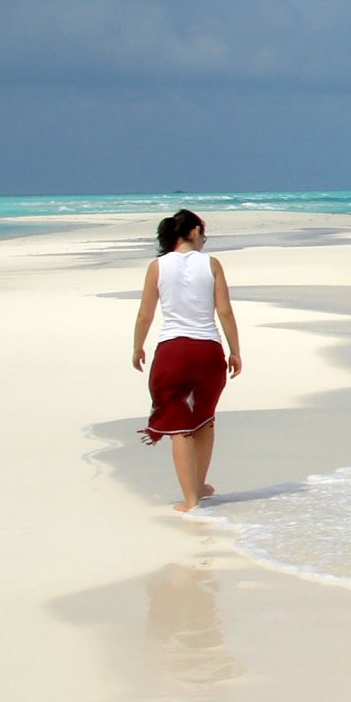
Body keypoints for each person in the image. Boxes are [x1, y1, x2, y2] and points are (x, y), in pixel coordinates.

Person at [132, 209, 243, 512]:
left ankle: (190, 498)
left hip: (172, 351)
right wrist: (235, 350)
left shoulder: (157, 266)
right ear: (194, 232)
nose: (205, 240)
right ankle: (198, 485)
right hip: (207, 350)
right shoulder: (212, 265)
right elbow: (225, 312)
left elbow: (145, 313)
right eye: (204, 234)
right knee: (205, 420)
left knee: (180, 426)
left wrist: (137, 347)